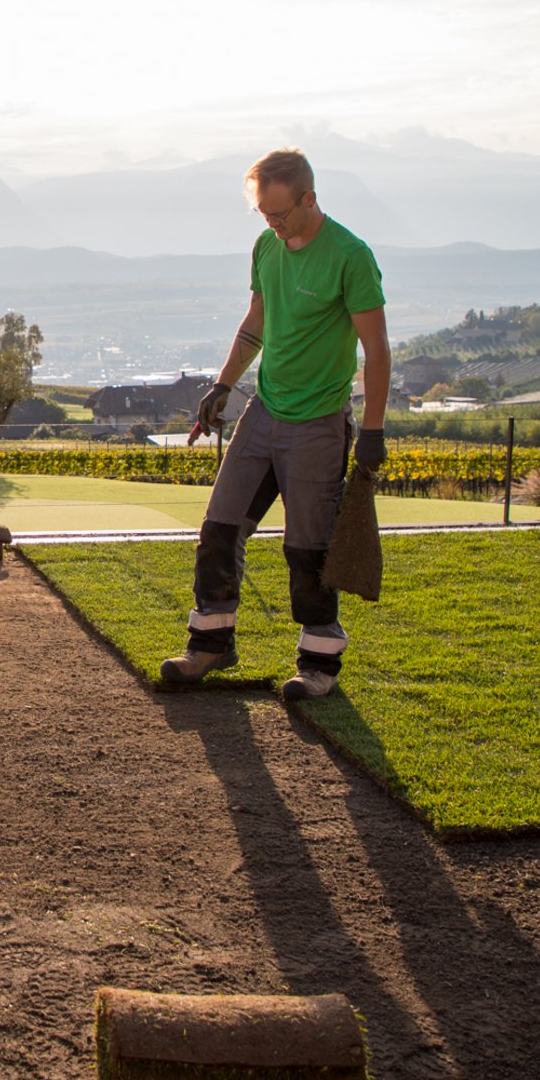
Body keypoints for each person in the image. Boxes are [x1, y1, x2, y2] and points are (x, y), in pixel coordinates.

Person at [163, 149, 389, 699]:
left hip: (319, 422)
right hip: (264, 410)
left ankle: (318, 665)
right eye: (264, 213)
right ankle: (211, 645)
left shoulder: (350, 256)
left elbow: (376, 350)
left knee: (307, 548)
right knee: (220, 529)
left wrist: (375, 432)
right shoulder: (266, 246)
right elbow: (256, 322)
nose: (273, 223)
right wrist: (222, 385)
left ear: (310, 198)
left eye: (281, 213)